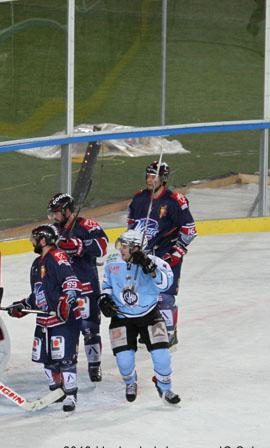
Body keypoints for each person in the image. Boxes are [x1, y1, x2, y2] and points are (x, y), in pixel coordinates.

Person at [99, 229, 180, 405]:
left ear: (137, 248)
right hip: (121, 317)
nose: (121, 249)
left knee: (162, 356)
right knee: (124, 362)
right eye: (121, 245)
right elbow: (106, 284)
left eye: (125, 247)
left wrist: (151, 269)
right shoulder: (113, 262)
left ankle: (164, 388)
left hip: (149, 314)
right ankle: (130, 382)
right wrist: (104, 298)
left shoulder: (156, 262)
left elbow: (166, 284)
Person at [6, 224, 82, 412]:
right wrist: (23, 306)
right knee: (47, 360)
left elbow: (72, 283)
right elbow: (37, 295)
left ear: (43, 240)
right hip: (44, 320)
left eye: (35, 238)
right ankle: (57, 391)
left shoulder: (57, 256)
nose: (32, 242)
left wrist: (66, 301)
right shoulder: (35, 264)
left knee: (65, 359)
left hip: (63, 320)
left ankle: (71, 394)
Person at [127, 160, 197, 346]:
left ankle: (168, 332)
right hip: (143, 255)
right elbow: (131, 226)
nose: (150, 180)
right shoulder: (139, 198)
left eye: (154, 176)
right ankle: (147, 330)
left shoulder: (175, 201)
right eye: (148, 176)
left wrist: (177, 251)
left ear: (163, 178)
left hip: (166, 254)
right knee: (142, 293)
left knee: (164, 296)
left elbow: (189, 230)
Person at [47, 192, 109, 382]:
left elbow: (103, 245)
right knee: (64, 329)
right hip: (63, 288)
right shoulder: (53, 230)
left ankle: (94, 365)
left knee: (89, 328)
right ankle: (66, 364)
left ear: (67, 210)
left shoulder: (85, 225)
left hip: (86, 286)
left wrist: (78, 245)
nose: (55, 216)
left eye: (57, 212)